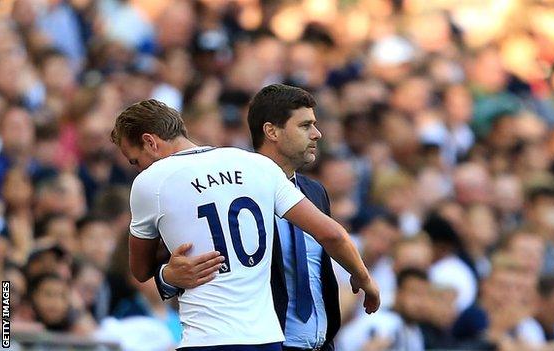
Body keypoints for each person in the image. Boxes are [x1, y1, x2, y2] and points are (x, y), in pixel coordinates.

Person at [110, 99, 379, 350]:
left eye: (135, 160)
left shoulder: (151, 181)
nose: (138, 168)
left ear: (150, 142)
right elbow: (332, 234)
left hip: (207, 338)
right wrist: (363, 278)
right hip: (267, 337)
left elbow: (140, 269)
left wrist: (168, 275)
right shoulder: (257, 166)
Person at [156, 84, 345, 351]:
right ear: (271, 131)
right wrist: (167, 277)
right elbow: (175, 264)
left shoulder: (315, 192)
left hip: (320, 344)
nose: (317, 134)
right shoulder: (227, 192)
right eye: (305, 126)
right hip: (264, 343)